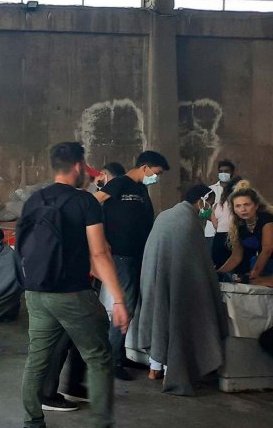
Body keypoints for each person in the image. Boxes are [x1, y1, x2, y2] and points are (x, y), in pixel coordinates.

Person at [18, 141, 131, 428]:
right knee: (98, 358)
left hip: (36, 294)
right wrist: (119, 299)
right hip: (72, 294)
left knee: (36, 360)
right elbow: (99, 252)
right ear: (80, 166)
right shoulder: (85, 202)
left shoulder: (34, 201)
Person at [133, 185, 226, 394]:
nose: (209, 209)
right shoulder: (189, 221)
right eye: (209, 204)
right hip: (178, 281)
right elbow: (198, 263)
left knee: (160, 316)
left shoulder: (166, 215)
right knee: (177, 320)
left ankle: (154, 368)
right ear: (201, 201)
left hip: (154, 278)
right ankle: (170, 371)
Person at [95, 150, 169, 380]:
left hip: (139, 254)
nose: (155, 178)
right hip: (121, 254)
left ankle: (120, 353)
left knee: (132, 304)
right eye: (155, 173)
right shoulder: (119, 183)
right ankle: (111, 361)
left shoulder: (141, 189)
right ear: (145, 167)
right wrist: (101, 239)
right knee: (123, 305)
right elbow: (93, 203)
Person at [216, 187, 273, 287]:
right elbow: (236, 257)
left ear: (256, 206)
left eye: (247, 204)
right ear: (233, 209)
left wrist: (253, 275)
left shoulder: (266, 219)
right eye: (238, 206)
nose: (243, 209)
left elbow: (267, 249)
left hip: (269, 262)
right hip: (266, 265)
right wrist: (217, 274)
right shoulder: (239, 226)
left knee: (254, 280)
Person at [205, 160, 236, 258]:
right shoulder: (210, 190)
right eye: (221, 171)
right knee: (213, 262)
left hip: (231, 232)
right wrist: (214, 220)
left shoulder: (237, 190)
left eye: (226, 171)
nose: (223, 173)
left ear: (232, 172)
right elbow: (204, 209)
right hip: (211, 232)